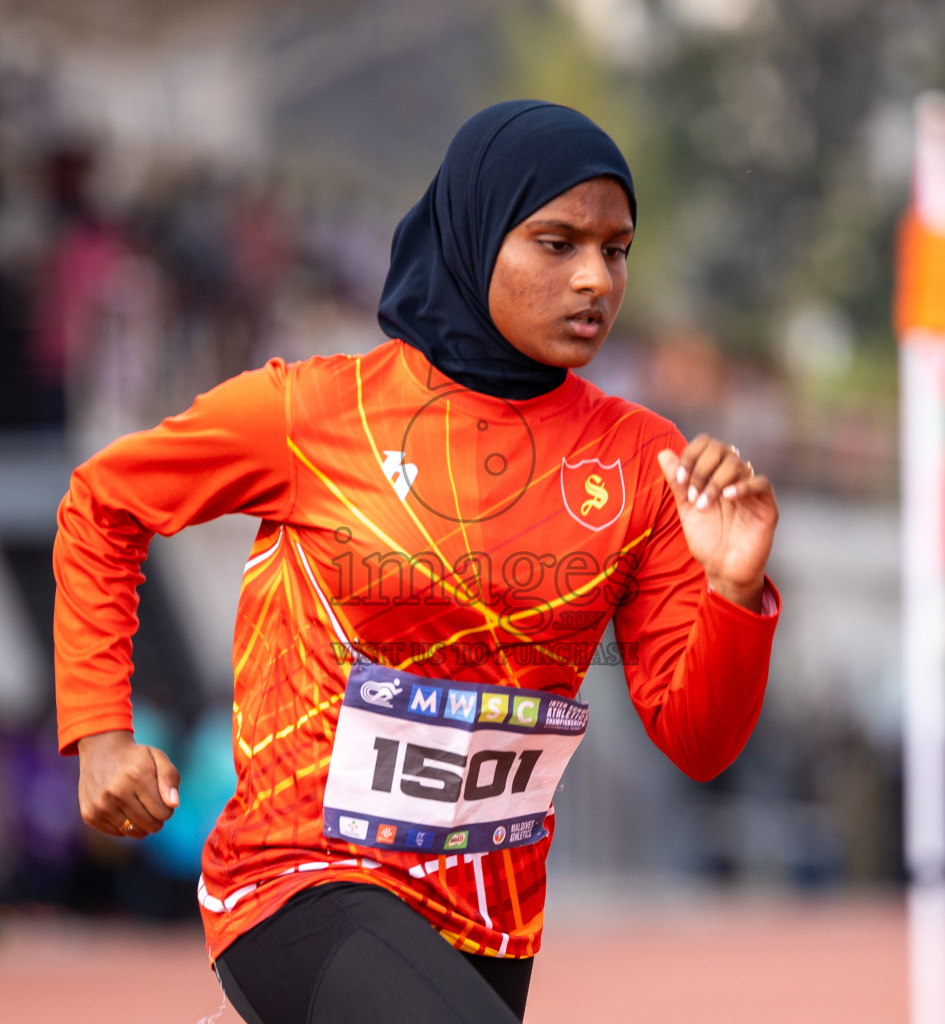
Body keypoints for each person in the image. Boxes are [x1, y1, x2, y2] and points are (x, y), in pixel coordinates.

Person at [54, 100, 781, 1024]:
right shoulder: (314, 412)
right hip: (301, 879)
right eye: (556, 244)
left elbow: (700, 739)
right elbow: (104, 503)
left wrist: (732, 587)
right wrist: (98, 729)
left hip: (488, 917)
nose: (596, 278)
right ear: (474, 237)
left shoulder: (643, 459)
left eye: (617, 249)